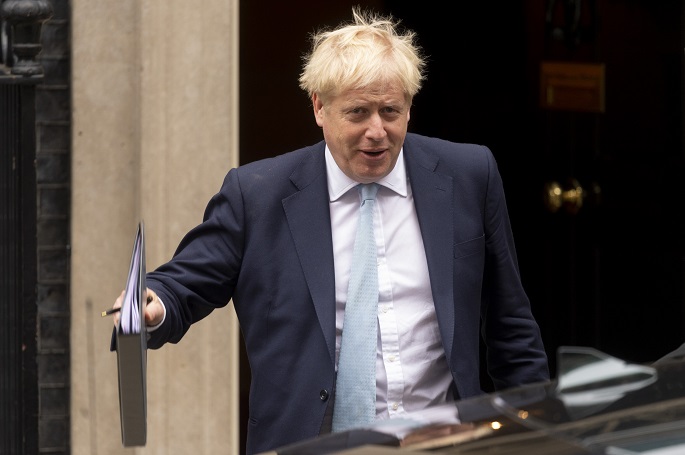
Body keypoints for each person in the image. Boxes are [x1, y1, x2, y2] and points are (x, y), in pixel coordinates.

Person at [111, 8, 549, 454]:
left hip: (444, 442)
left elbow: (511, 325)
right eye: (358, 112)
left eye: (390, 111)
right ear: (319, 107)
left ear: (409, 106)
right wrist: (152, 305)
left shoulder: (467, 175)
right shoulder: (257, 195)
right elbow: (184, 283)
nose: (377, 131)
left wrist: (538, 436)